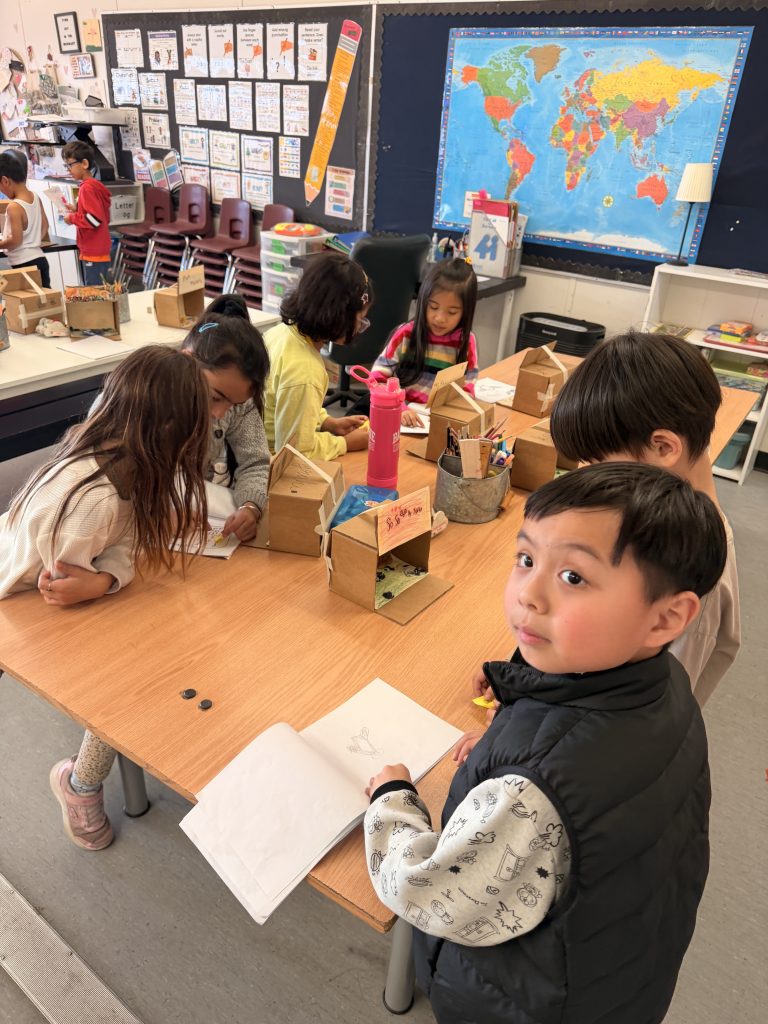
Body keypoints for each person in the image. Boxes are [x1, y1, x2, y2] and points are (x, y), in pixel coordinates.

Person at [365, 462, 727, 1024]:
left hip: (528, 1004)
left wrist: (391, 799)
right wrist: (510, 723)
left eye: (573, 577)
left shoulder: (533, 794)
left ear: (666, 618)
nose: (528, 595)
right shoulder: (665, 680)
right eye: (526, 559)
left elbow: (422, 891)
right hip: (616, 968)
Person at [0, 346, 210, 851]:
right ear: (168, 430)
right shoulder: (91, 503)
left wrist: (107, 579)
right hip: (20, 601)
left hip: (58, 581)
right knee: (125, 680)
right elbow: (61, 587)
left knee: (155, 649)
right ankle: (79, 786)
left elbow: (124, 546)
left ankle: (87, 775)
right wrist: (100, 582)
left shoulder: (127, 460)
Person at [548, 329, 739, 706]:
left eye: (597, 464)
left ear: (663, 448)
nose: (586, 476)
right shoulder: (652, 518)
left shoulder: (697, 575)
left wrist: (535, 716)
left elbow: (645, 713)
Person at [262, 251, 371, 460]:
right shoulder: (305, 371)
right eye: (361, 319)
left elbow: (288, 406)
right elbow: (296, 453)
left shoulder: (281, 332)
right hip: (272, 466)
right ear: (340, 317)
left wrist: (327, 422)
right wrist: (344, 443)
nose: (360, 327)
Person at [182, 294, 271, 542]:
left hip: (198, 518)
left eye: (235, 404)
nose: (220, 413)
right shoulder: (146, 402)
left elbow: (255, 462)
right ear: (186, 361)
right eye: (215, 397)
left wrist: (250, 507)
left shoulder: (236, 400)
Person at [370, 258, 478, 426]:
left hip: (437, 421)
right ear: (423, 301)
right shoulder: (406, 334)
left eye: (452, 312)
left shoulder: (466, 341)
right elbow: (377, 378)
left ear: (465, 312)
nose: (440, 318)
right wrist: (399, 407)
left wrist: (454, 413)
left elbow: (467, 387)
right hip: (400, 416)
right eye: (433, 307)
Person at [60, 140, 112, 286]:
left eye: (70, 165)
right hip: (97, 248)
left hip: (93, 250)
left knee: (93, 292)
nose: (68, 170)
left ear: (84, 163)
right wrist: (77, 210)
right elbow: (100, 215)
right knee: (97, 289)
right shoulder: (94, 186)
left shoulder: (87, 188)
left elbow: (94, 220)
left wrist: (72, 218)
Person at [0, 150, 51, 287]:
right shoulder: (35, 196)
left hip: (24, 263)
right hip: (40, 258)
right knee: (46, 295)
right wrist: (32, 241)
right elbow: (45, 226)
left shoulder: (14, 207)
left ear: (5, 181)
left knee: (29, 299)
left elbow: (16, 240)